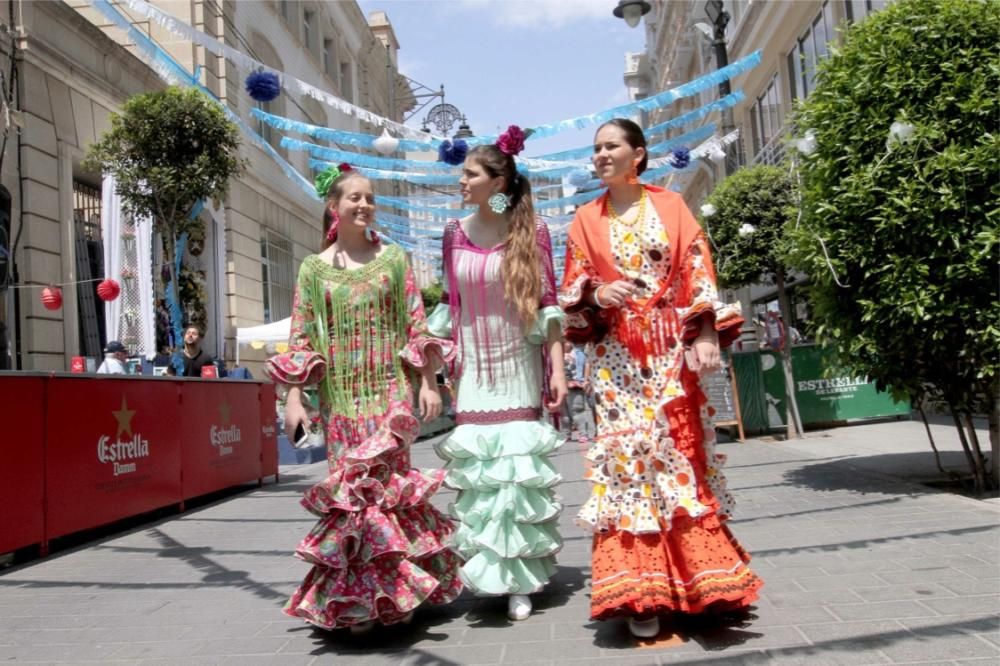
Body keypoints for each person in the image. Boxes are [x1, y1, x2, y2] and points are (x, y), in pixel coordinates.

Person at [559, 118, 762, 638]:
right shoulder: (584, 219)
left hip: (671, 354)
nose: (602, 155)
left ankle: (701, 583)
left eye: (612, 146)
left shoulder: (671, 207)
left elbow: (699, 271)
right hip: (615, 360)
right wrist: (596, 296)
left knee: (680, 462)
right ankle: (639, 594)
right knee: (629, 465)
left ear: (638, 154)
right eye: (597, 148)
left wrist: (707, 335)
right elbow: (573, 288)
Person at [265, 163, 462, 633]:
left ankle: (396, 591)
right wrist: (295, 399)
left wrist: (429, 383)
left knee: (388, 493)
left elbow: (416, 325)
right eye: (355, 197)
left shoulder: (394, 260)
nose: (364, 204)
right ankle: (359, 599)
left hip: (390, 393)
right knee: (353, 499)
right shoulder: (313, 270)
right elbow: (301, 338)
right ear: (334, 207)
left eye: (370, 197)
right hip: (341, 401)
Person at [428, 128, 567, 621]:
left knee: (515, 477)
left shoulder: (535, 233)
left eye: (470, 173)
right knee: (484, 480)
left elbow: (549, 308)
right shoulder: (452, 233)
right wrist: (434, 367)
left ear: (497, 180)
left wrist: (558, 372)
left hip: (517, 365)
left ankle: (519, 582)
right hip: (471, 370)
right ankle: (490, 575)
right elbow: (449, 304)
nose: (461, 180)